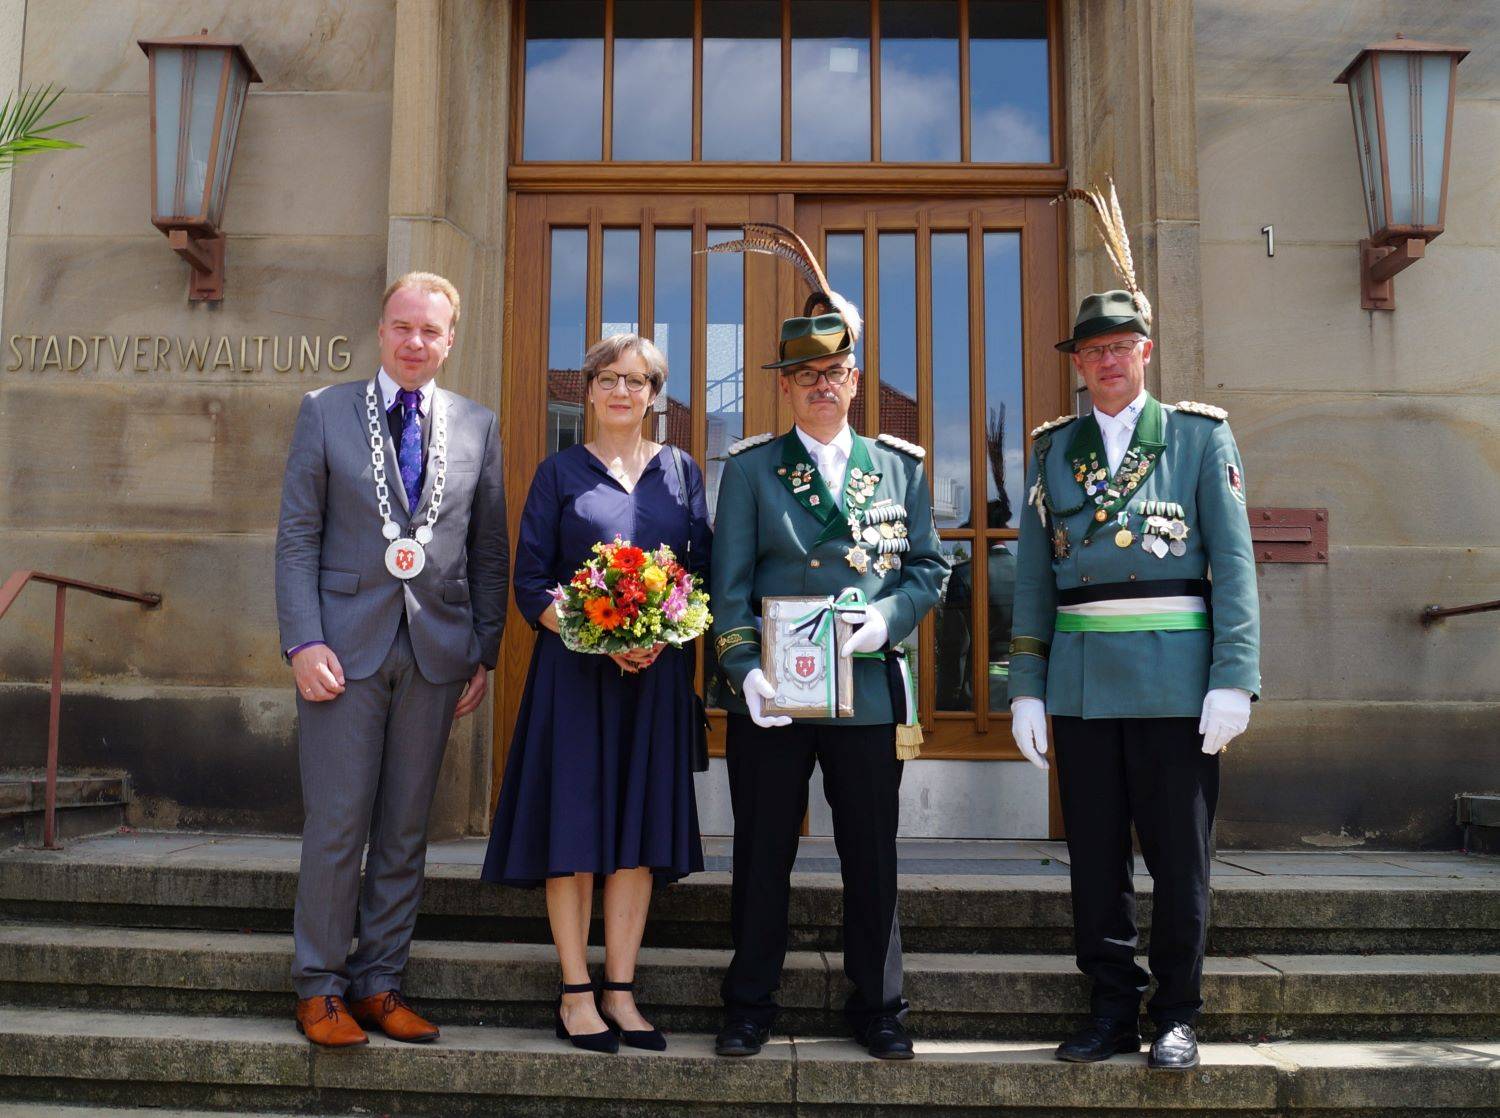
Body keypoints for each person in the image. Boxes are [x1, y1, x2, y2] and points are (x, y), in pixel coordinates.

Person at [1008, 183, 1261, 1071]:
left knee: (1180, 863)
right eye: (1092, 350)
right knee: (1094, 865)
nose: (1107, 362)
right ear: (1075, 362)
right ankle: (1112, 1010)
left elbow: (1233, 565)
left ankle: (1178, 1013)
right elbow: (1033, 580)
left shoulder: (1197, 440)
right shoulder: (1050, 450)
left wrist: (1235, 678)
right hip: (1081, 682)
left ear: (1146, 352)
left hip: (1177, 683)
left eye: (1120, 347)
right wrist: (1024, 689)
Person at [705, 226, 947, 1061]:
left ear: (855, 379)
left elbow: (928, 567)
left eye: (834, 374)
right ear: (785, 387)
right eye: (805, 377)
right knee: (763, 853)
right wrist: (742, 669)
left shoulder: (901, 469)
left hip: (869, 688)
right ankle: (748, 1003)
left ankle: (880, 1007)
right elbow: (726, 587)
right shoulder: (749, 471)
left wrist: (889, 620)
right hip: (777, 691)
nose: (822, 389)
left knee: (870, 858)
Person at [275, 271, 508, 1048]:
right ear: (380, 331)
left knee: (406, 830)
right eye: (402, 327)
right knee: (339, 824)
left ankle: (379, 983)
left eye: (431, 331)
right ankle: (320, 987)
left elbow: (489, 551)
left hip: (437, 655)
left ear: (451, 340)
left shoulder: (477, 424)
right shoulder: (324, 411)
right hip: (341, 651)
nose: (415, 342)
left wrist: (484, 649)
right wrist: (303, 640)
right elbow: (297, 537)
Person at [482, 333, 709, 1054]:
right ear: (587, 390)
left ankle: (621, 990)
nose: (621, 391)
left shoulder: (683, 474)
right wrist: (598, 635)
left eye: (636, 381)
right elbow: (530, 582)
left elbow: (699, 578)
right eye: (608, 378)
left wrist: (661, 633)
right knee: (574, 832)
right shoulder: (558, 475)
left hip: (655, 679)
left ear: (655, 396)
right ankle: (576, 993)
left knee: (636, 838)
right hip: (575, 679)